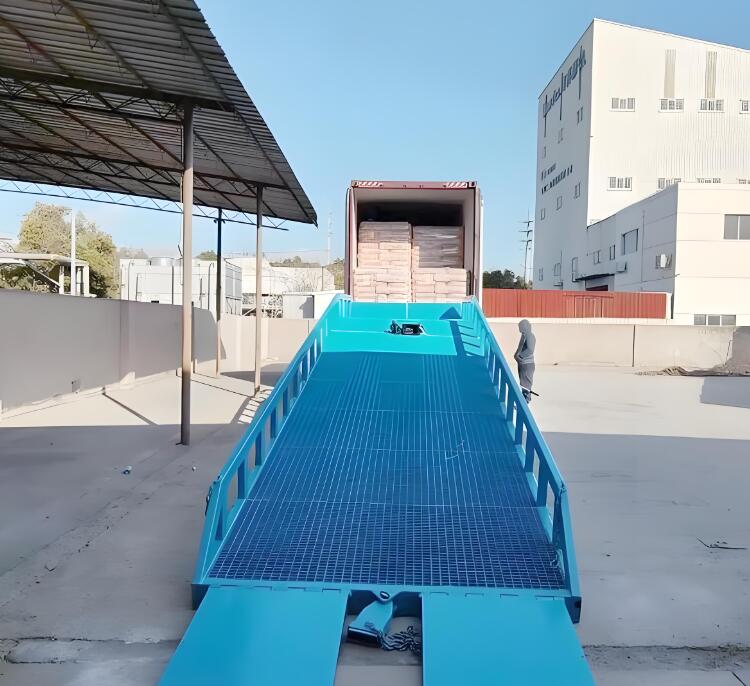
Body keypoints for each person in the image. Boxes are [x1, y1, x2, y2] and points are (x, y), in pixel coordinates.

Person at [514, 319, 536, 403]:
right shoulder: (524, 335)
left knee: (526, 384)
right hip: (522, 363)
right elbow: (520, 348)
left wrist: (519, 356)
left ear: (525, 326)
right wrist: (516, 355)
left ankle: (526, 401)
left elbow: (530, 350)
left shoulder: (530, 336)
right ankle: (523, 400)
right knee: (523, 383)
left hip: (527, 364)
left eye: (520, 327)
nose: (519, 328)